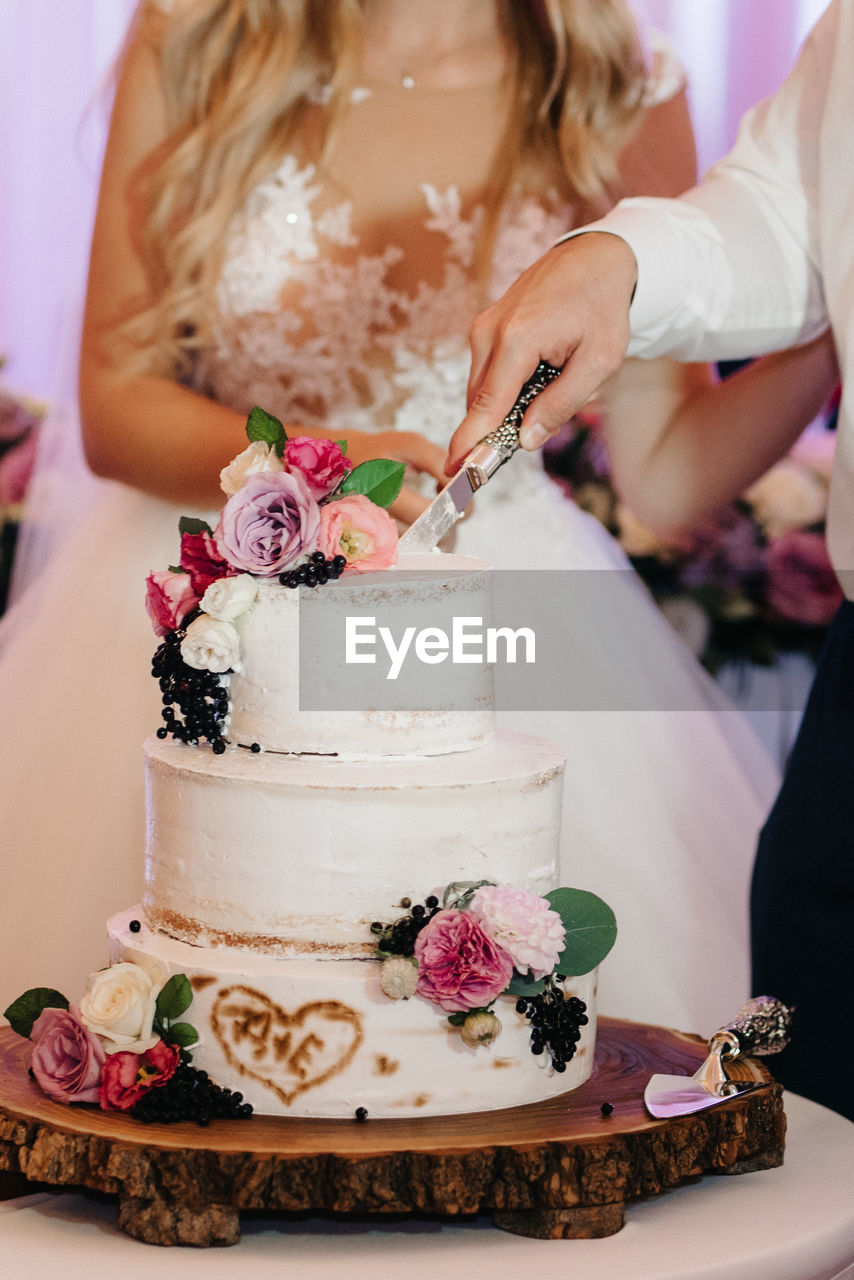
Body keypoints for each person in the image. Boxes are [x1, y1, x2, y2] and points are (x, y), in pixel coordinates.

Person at [0, 0, 778, 1036]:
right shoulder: (200, 32)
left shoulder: (609, 82)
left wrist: (838, 328)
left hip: (509, 626)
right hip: (222, 597)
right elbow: (117, 403)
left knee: (514, 1059)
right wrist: (328, 465)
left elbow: (666, 473)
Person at [446, 0, 853, 1118]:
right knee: (819, 1080)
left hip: (525, 583)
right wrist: (613, 255)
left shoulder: (619, 75)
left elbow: (665, 476)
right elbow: (783, 213)